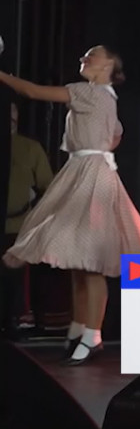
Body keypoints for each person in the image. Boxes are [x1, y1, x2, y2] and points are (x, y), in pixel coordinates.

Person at [0, 46, 140, 364]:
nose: (83, 59)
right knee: (80, 259)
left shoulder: (89, 93)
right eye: (84, 56)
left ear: (109, 64)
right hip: (86, 170)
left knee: (91, 263)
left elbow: (32, 91)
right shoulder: (106, 97)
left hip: (89, 175)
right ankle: (79, 328)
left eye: (92, 55)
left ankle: (91, 335)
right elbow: (116, 134)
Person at [4, 102, 54, 338]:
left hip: (17, 225)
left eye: (12, 110)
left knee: (12, 279)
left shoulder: (30, 148)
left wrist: (35, 217)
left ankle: (11, 321)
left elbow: (48, 187)